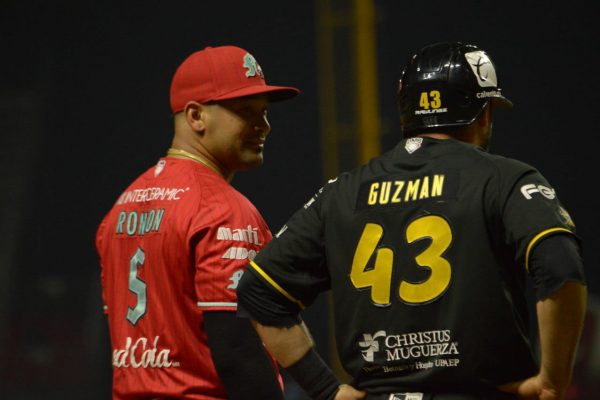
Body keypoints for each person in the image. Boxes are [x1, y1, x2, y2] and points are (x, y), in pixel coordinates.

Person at [236, 41, 588, 400]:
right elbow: (560, 266)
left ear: (406, 112)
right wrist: (551, 380)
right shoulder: (505, 179)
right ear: (483, 114)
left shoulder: (341, 192)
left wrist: (326, 390)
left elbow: (258, 291)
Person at [95, 45, 300, 399]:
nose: (263, 126)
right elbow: (238, 350)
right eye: (246, 111)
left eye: (264, 112)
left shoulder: (120, 208)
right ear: (195, 116)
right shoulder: (222, 209)